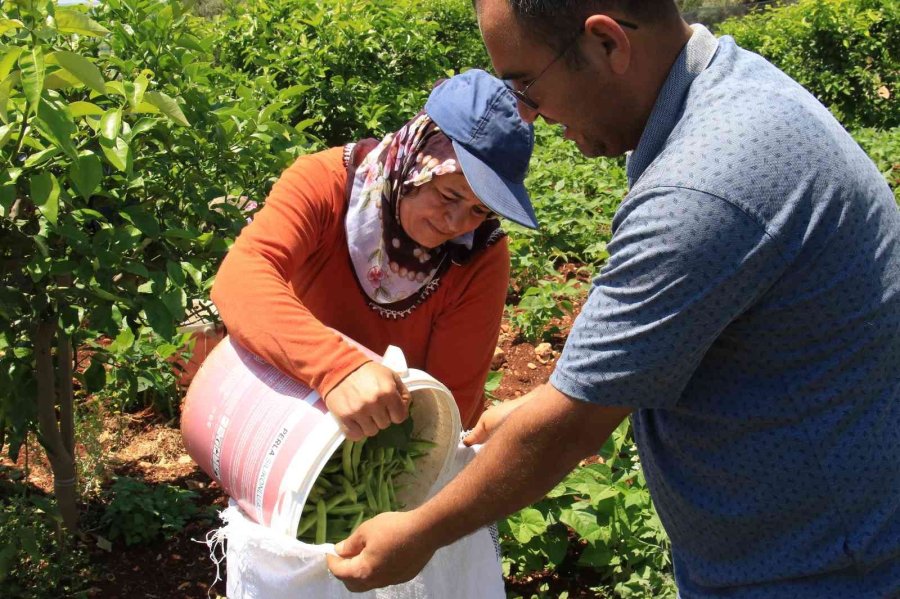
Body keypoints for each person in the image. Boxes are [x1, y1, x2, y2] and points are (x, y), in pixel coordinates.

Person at [327, 1, 900, 597]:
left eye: (524, 82)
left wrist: (420, 530)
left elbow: (572, 428)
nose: (531, 115)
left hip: (813, 570)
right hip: (801, 536)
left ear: (607, 44)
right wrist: (539, 406)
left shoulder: (701, 186)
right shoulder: (731, 90)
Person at [210, 69, 538, 439]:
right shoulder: (322, 184)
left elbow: (449, 402)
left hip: (395, 434)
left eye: (479, 210)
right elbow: (241, 277)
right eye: (449, 195)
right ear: (415, 160)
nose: (457, 223)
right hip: (295, 408)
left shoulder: (479, 255)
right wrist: (337, 368)